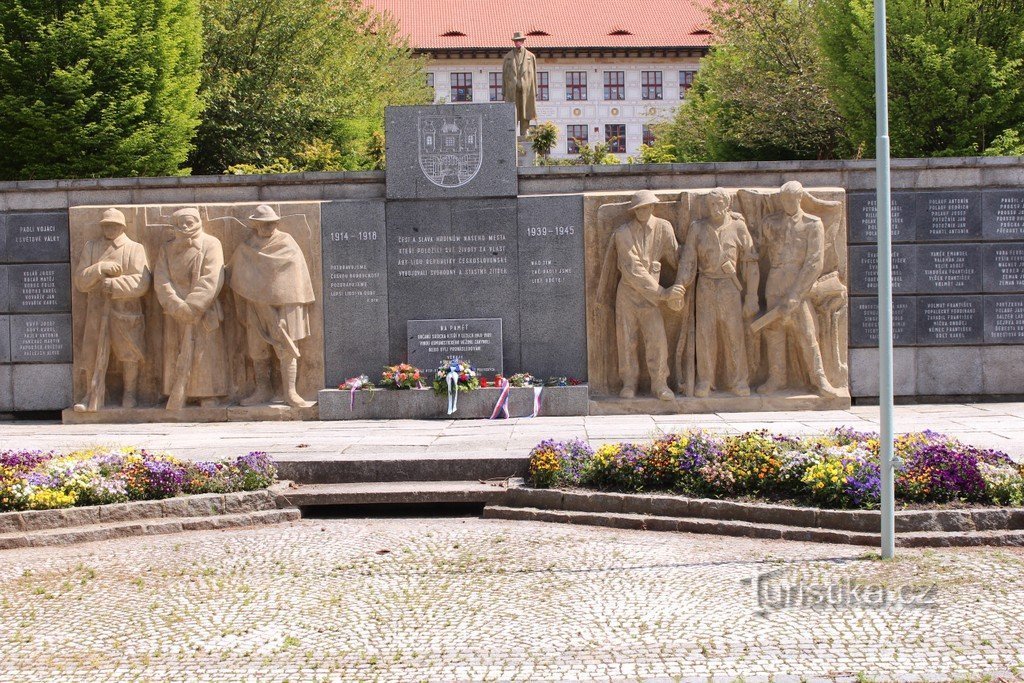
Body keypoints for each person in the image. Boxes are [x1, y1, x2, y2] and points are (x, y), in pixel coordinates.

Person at [758, 181, 844, 398]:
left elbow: (815, 262)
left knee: (807, 333)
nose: (786, 203)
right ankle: (777, 378)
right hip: (775, 283)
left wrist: (796, 294)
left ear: (799, 199)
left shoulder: (812, 224)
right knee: (774, 332)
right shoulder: (770, 223)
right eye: (783, 199)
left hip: (799, 285)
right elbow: (758, 252)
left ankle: (819, 379)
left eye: (791, 199)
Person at [228, 204, 316, 409]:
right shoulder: (246, 247)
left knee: (288, 347)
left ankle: (290, 392)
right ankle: (263, 390)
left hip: (287, 302)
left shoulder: (287, 242)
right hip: (257, 304)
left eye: (271, 223)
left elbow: (295, 274)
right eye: (263, 223)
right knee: (258, 348)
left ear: (277, 223)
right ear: (255, 224)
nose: (267, 227)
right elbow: (235, 273)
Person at [677, 189, 760, 397]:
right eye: (711, 204)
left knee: (734, 333)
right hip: (705, 285)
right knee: (705, 334)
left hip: (729, 287)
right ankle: (705, 380)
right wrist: (680, 287)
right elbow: (688, 261)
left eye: (719, 204)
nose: (715, 208)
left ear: (727, 204)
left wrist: (752, 296)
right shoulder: (698, 228)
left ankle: (739, 381)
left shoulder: (738, 227)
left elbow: (751, 264)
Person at [605, 190, 683, 401]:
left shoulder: (664, 227)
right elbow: (633, 269)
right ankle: (629, 383)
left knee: (657, 340)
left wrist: (684, 277)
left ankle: (660, 384)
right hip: (629, 293)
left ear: (653, 207)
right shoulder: (623, 233)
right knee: (627, 339)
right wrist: (663, 293)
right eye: (638, 208)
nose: (642, 211)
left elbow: (676, 257)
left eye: (646, 207)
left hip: (651, 298)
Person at [72, 208, 150, 411]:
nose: (109, 228)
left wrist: (114, 286)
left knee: (129, 353)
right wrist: (99, 268)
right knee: (92, 353)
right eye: (105, 225)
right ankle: (92, 394)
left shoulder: (135, 248)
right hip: (97, 311)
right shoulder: (92, 247)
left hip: (125, 310)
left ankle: (130, 393)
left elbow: (142, 282)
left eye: (113, 225)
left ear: (122, 226)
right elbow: (80, 281)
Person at [153, 207, 229, 408]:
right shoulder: (166, 249)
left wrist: (193, 307)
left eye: (190, 222)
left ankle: (208, 394)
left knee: (205, 353)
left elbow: (212, 277)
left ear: (198, 222)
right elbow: (161, 279)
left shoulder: (211, 244)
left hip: (203, 310)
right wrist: (176, 305)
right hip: (174, 311)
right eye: (181, 223)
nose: (186, 227)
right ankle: (177, 393)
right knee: (176, 353)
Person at [502, 31, 537, 136]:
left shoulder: (531, 57)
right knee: (513, 112)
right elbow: (504, 75)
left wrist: (535, 91)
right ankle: (512, 133)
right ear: (514, 42)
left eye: (520, 41)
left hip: (527, 89)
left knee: (525, 110)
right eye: (516, 41)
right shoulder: (508, 57)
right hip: (512, 90)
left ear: (523, 41)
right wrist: (504, 91)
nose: (518, 43)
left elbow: (534, 75)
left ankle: (524, 131)